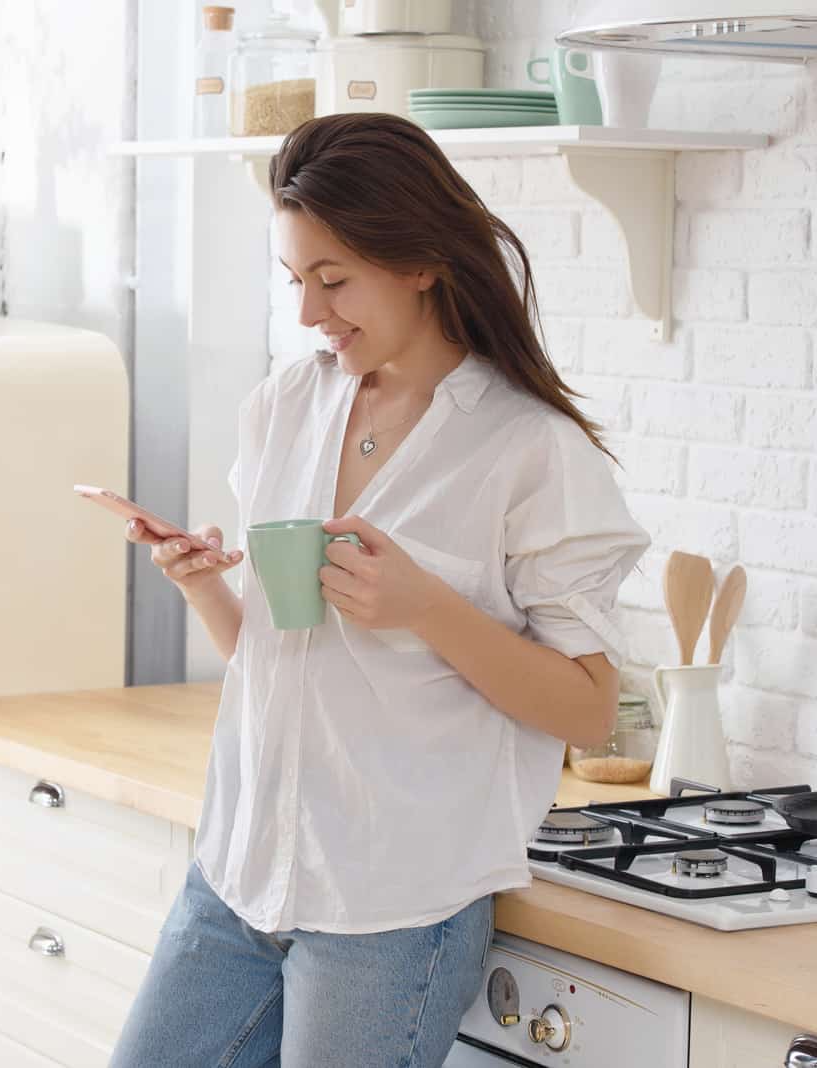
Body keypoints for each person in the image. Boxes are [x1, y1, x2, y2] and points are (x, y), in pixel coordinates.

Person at [109, 112, 651, 1068]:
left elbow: (589, 710)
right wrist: (203, 588)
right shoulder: (287, 403)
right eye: (296, 282)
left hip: (393, 905)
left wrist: (427, 606)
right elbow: (285, 661)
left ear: (421, 261)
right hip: (239, 870)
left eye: (334, 280)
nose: (311, 313)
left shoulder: (530, 451)